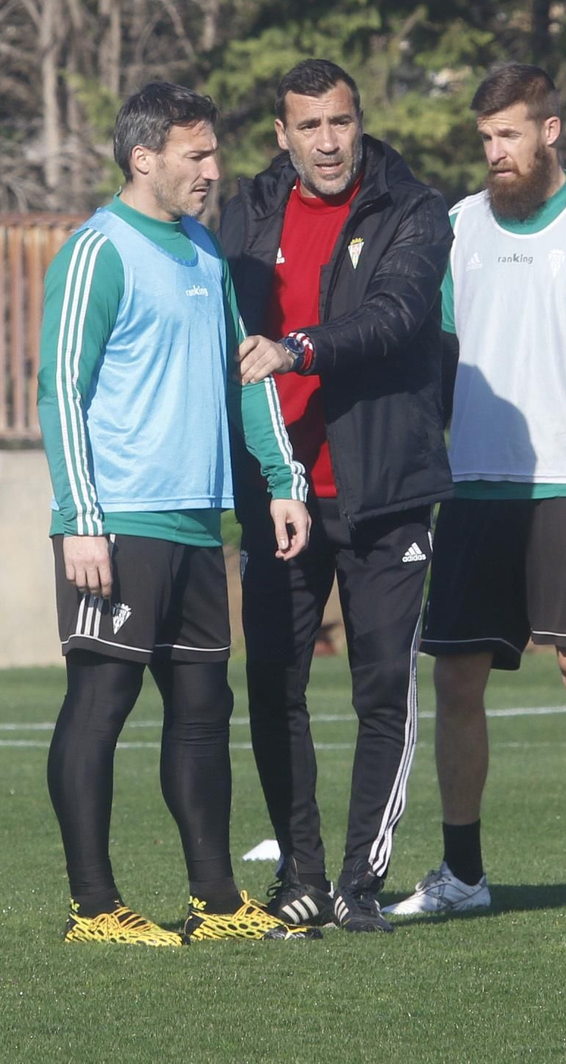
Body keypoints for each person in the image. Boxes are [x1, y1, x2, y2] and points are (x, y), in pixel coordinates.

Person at [387, 63, 566, 921]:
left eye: (509, 134)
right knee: (457, 681)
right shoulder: (455, 228)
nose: (495, 152)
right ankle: (465, 875)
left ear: (551, 131)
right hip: (472, 489)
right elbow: (435, 362)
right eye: (484, 138)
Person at [36, 80, 319, 946]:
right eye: (196, 155)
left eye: (214, 152)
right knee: (103, 699)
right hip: (118, 520)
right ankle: (95, 907)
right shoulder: (97, 251)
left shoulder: (203, 249)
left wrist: (281, 478)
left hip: (202, 525)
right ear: (144, 158)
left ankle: (215, 898)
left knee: (204, 707)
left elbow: (248, 373)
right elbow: (60, 391)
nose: (213, 169)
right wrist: (81, 514)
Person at [219, 59, 455, 934]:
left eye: (341, 123)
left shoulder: (415, 210)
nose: (328, 141)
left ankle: (359, 884)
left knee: (381, 686)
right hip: (279, 494)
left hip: (385, 491)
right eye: (310, 126)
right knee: (274, 684)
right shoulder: (244, 214)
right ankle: (302, 878)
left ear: (361, 123)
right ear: (283, 135)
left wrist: (297, 349)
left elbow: (396, 313)